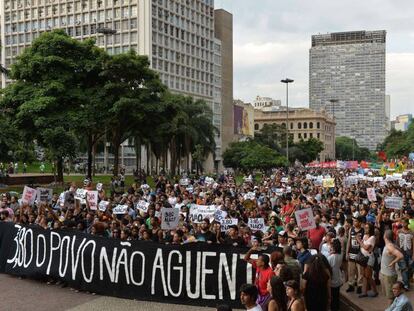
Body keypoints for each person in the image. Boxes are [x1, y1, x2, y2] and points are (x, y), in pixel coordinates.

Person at [380, 229, 404, 305]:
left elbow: (400, 255)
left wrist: (393, 262)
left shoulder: (389, 247)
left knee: (391, 297)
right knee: (389, 295)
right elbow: (399, 250)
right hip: (386, 274)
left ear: (385, 236)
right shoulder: (390, 245)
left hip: (389, 275)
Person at [357, 222, 378, 298]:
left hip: (369, 258)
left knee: (368, 276)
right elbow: (363, 246)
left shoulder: (372, 237)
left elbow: (366, 247)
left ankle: (375, 291)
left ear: (371, 229)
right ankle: (364, 292)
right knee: (365, 276)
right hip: (363, 258)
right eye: (365, 227)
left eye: (367, 228)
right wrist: (361, 243)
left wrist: (359, 240)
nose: (365, 229)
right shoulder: (365, 235)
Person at [345, 215, 365, 294]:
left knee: (360, 271)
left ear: (360, 222)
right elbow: (349, 241)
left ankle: (360, 286)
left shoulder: (363, 230)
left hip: (359, 254)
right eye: (354, 221)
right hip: (351, 253)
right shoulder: (351, 229)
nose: (354, 222)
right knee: (351, 270)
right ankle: (351, 285)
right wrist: (347, 252)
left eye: (356, 221)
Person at [397, 218, 414, 290]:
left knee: (411, 268)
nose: (403, 224)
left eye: (405, 223)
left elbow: (413, 244)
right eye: (402, 223)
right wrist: (396, 252)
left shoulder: (411, 232)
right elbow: (397, 242)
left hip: (409, 253)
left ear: (408, 223)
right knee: (404, 268)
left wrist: (413, 254)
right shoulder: (399, 231)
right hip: (401, 253)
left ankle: (406, 280)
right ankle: (406, 284)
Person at [328, 239, 343, 311]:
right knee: (336, 297)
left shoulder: (331, 257)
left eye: (331, 246)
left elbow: (328, 269)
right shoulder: (340, 255)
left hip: (332, 280)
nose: (329, 248)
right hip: (338, 278)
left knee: (332, 298)